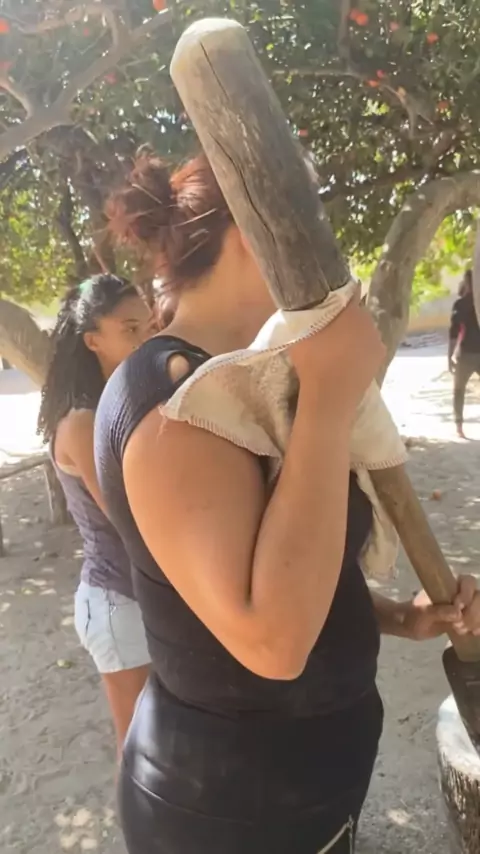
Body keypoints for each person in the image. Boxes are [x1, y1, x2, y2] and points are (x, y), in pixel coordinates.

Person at [94, 151, 480, 854]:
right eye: (314, 218)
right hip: (229, 813)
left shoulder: (250, 384)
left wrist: (402, 617)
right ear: (260, 231)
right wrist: (328, 398)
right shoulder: (169, 407)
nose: (330, 247)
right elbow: (271, 642)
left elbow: (292, 564)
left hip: (307, 794)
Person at [37, 274, 157, 753]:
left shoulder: (118, 401)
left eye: (149, 327)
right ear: (93, 341)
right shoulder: (83, 421)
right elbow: (127, 516)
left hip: (138, 597)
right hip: (117, 603)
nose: (146, 339)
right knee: (140, 749)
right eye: (130, 329)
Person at [448, 269, 480, 438]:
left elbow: (454, 332)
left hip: (466, 353)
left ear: (467, 282)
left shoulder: (461, 304)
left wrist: (449, 356)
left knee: (459, 390)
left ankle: (459, 426)